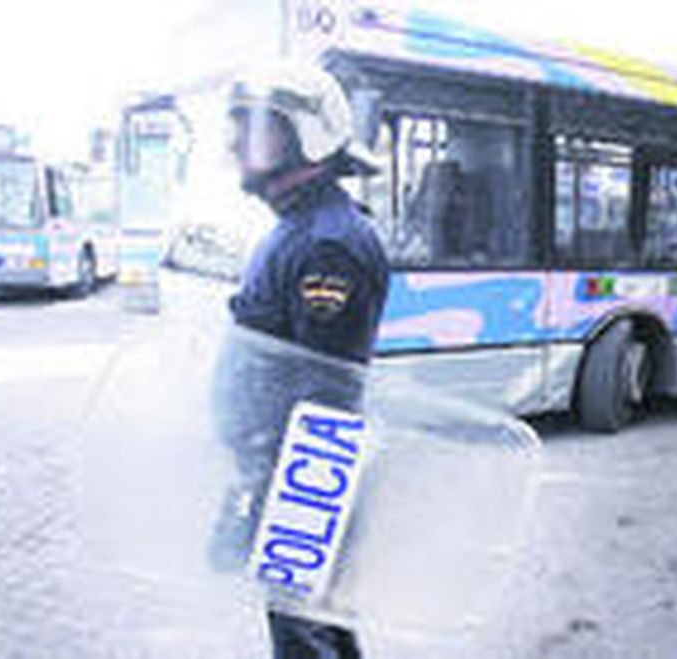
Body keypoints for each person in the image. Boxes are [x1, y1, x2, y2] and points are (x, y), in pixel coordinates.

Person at [217, 63, 390, 659]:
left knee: (304, 633)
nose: (234, 141)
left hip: (305, 472)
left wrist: (279, 492)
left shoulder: (327, 244)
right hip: (290, 471)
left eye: (253, 126)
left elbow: (326, 389)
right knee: (317, 626)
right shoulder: (302, 229)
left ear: (305, 135)